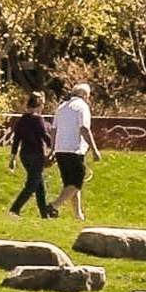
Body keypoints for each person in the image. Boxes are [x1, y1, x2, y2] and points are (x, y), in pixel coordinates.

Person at [51, 79, 100, 221]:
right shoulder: (82, 107)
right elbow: (84, 128)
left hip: (60, 150)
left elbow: (53, 130)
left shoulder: (62, 107)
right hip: (75, 149)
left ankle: (78, 214)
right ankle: (54, 205)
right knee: (77, 182)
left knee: (69, 183)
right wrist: (94, 149)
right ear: (85, 95)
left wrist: (52, 149)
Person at [7, 91, 56, 217]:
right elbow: (45, 136)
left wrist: (12, 158)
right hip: (37, 154)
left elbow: (16, 140)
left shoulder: (21, 120)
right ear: (39, 105)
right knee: (32, 184)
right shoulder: (38, 119)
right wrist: (54, 148)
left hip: (25, 155)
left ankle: (44, 214)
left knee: (39, 185)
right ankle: (15, 209)